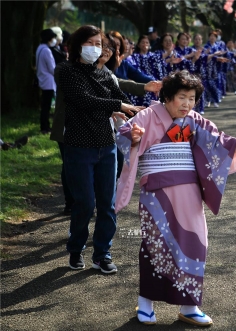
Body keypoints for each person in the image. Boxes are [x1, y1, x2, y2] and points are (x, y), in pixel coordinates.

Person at [114, 70, 236, 327]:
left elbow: (218, 143)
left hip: (189, 191)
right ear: (168, 96)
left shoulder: (195, 121)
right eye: (182, 97)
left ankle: (190, 305)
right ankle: (146, 302)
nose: (187, 104)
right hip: (157, 192)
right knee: (155, 245)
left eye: (192, 99)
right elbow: (125, 134)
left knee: (195, 243)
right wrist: (133, 137)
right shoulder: (149, 115)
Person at [58, 25, 144, 273]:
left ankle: (102, 254)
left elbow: (124, 102)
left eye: (99, 44)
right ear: (78, 45)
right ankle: (76, 249)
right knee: (84, 203)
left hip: (106, 147)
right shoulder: (68, 72)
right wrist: (118, 104)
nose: (95, 48)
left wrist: (146, 114)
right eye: (91, 43)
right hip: (79, 148)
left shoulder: (106, 75)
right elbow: (84, 99)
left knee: (107, 204)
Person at [36, 28, 57, 134]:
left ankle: (44, 126)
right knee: (46, 107)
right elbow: (52, 68)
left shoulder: (40, 48)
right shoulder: (47, 50)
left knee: (45, 105)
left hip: (42, 79)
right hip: (48, 82)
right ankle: (45, 127)